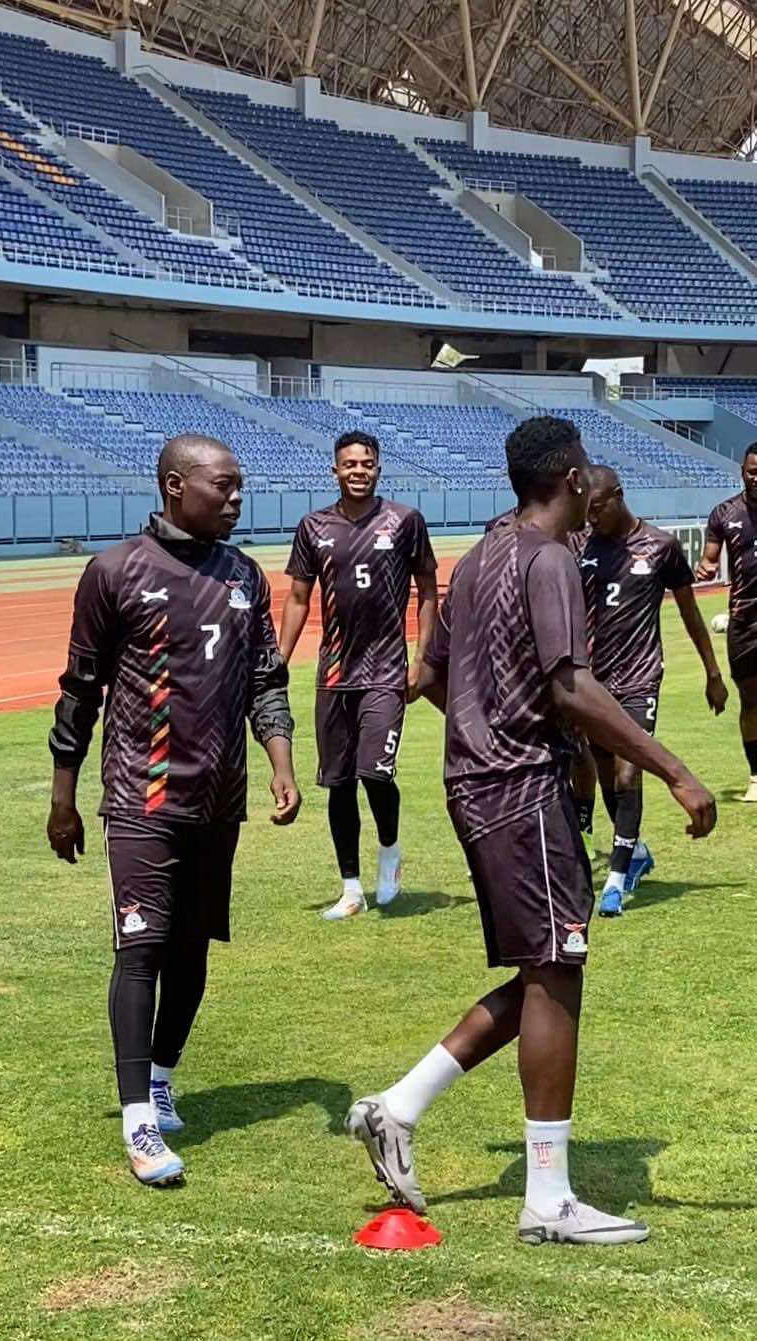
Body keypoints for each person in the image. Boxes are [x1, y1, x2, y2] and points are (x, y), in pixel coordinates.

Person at [345, 416, 715, 1246]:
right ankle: (548, 1198)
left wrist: (485, 724)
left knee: (549, 967)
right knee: (559, 973)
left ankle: (398, 1107)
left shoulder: (478, 558)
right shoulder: (550, 560)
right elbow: (575, 688)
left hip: (479, 782)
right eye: (586, 471)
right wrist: (675, 771)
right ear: (572, 478)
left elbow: (432, 675)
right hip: (519, 787)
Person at [47, 435, 301, 1187]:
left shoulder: (246, 576)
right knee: (143, 946)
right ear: (173, 485)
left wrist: (280, 764)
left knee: (191, 949)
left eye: (239, 486)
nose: (235, 498)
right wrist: (63, 799)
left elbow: (266, 680)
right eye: (222, 486)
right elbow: (78, 691)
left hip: (220, 800)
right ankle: (137, 1123)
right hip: (141, 797)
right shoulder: (115, 571)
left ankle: (161, 1076)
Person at [280, 430, 438, 920]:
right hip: (334, 673)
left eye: (366, 463)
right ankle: (350, 888)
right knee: (339, 782)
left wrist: (422, 659)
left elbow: (429, 592)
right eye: (349, 464)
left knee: (375, 772)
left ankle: (389, 855)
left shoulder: (405, 521)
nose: (358, 471)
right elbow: (299, 599)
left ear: (378, 468)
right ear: (335, 470)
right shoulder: (313, 527)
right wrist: (277, 663)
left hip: (387, 669)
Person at [573, 466, 726, 917]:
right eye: (585, 510)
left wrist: (712, 673)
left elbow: (691, 613)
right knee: (606, 778)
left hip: (640, 678)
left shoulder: (660, 546)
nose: (591, 517)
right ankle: (635, 854)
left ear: (619, 496)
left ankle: (616, 881)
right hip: (593, 682)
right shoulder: (581, 544)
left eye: (597, 508)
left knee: (627, 774)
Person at [697, 444, 757, 802]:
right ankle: (756, 775)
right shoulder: (724, 513)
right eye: (752, 471)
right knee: (751, 700)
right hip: (745, 623)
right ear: (742, 471)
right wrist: (705, 568)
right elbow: (709, 558)